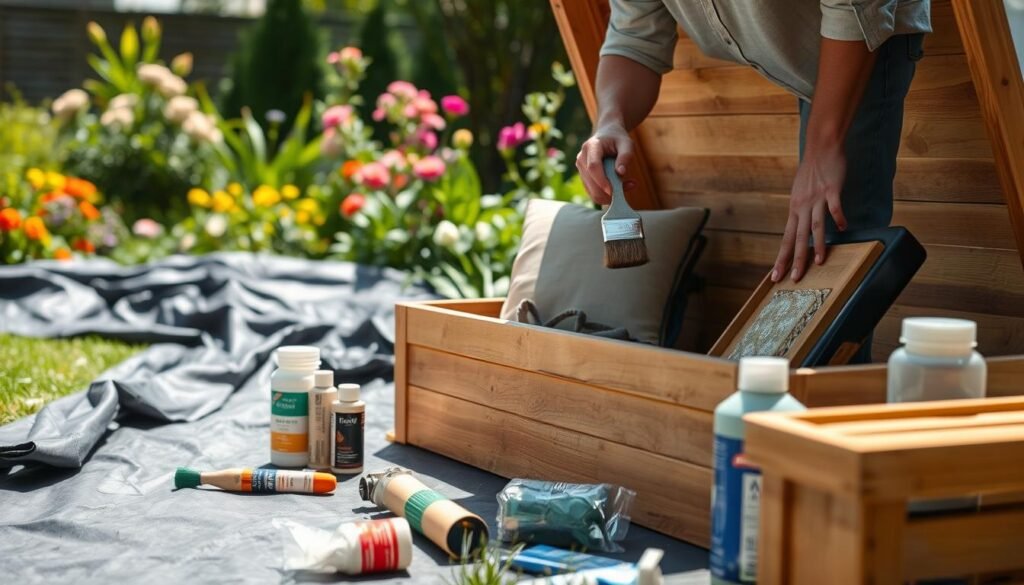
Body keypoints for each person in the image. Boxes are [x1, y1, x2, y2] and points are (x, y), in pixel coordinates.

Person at [577, 0, 930, 285]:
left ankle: (833, 375)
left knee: (833, 250)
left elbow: (858, 7)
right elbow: (634, 39)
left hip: (861, 35)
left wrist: (822, 150)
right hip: (811, 45)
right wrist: (610, 121)